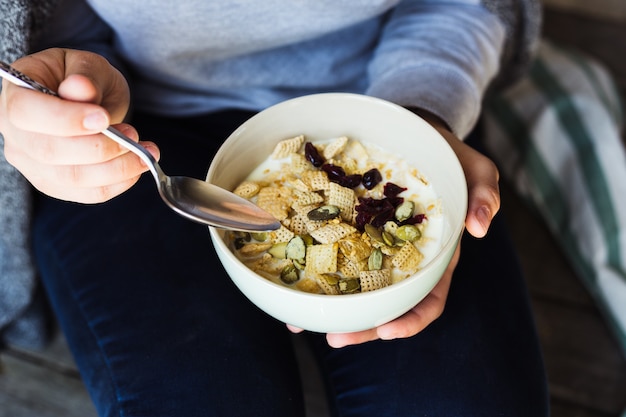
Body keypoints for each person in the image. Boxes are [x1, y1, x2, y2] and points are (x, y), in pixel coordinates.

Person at [0, 1, 549, 415]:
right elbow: (51, 24)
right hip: (142, 134)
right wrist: (66, 91)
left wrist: (420, 122)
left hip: (389, 102)